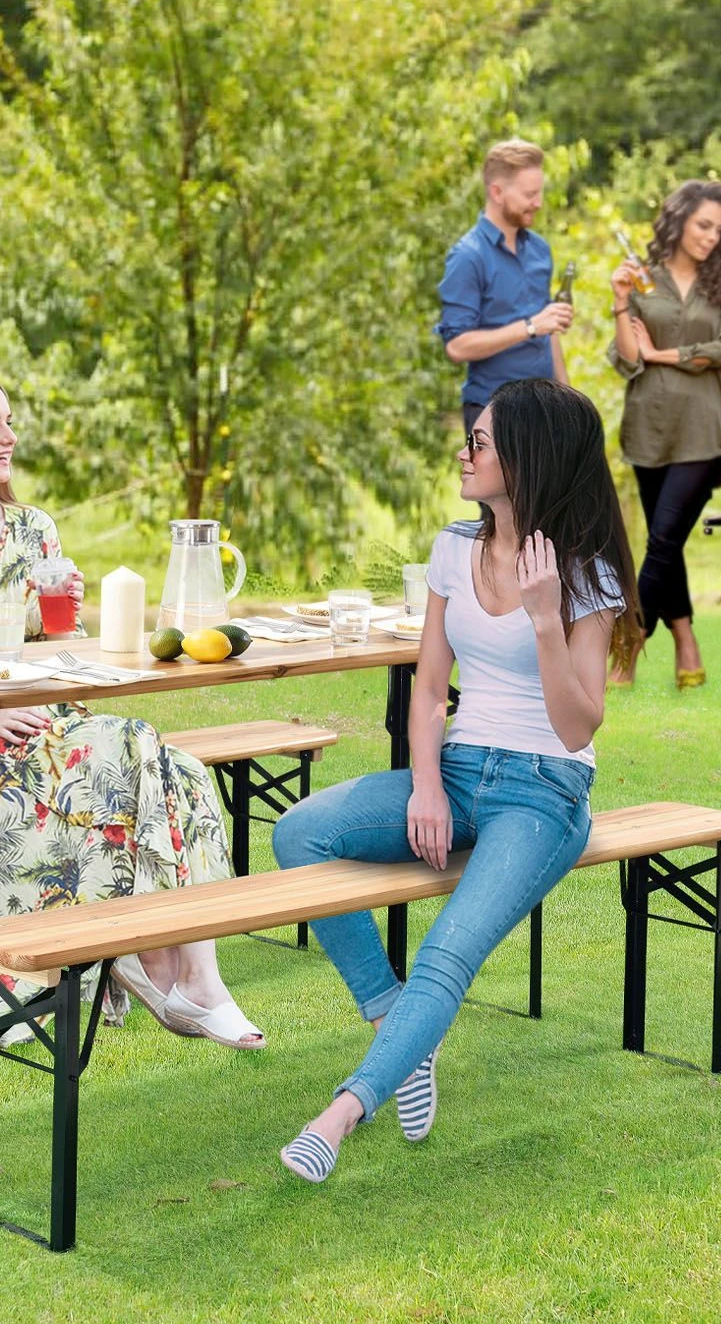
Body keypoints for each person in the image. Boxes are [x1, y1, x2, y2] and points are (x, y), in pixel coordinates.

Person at [273, 379, 639, 1183]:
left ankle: (340, 1115)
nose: (464, 455)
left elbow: (578, 726)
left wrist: (545, 618)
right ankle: (397, 1025)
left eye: (480, 443)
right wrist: (428, 786)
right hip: (461, 771)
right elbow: (431, 690)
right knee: (299, 833)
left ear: (529, 458)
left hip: (544, 791)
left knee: (446, 952)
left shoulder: (585, 571)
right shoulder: (453, 547)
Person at [0, 367, 264, 1050]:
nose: (9, 437)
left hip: (49, 722)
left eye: (8, 422)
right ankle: (151, 969)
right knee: (139, 743)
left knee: (182, 770)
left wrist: (64, 617)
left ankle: (194, 975)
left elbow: (58, 649)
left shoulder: (32, 528)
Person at [608, 179, 721, 689]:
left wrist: (663, 354)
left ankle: (628, 646)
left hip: (701, 431)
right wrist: (620, 303)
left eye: (718, 229)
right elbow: (628, 359)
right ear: (679, 222)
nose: (711, 236)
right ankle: (687, 643)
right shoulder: (642, 279)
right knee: (663, 543)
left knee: (664, 539)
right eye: (702, 225)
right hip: (648, 427)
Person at [436, 139, 574, 437]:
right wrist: (529, 327)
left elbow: (548, 330)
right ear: (497, 192)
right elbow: (457, 347)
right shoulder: (467, 257)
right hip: (491, 413)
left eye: (539, 192)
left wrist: (568, 400)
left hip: (543, 412)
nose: (538, 203)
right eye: (529, 194)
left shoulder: (539, 250)